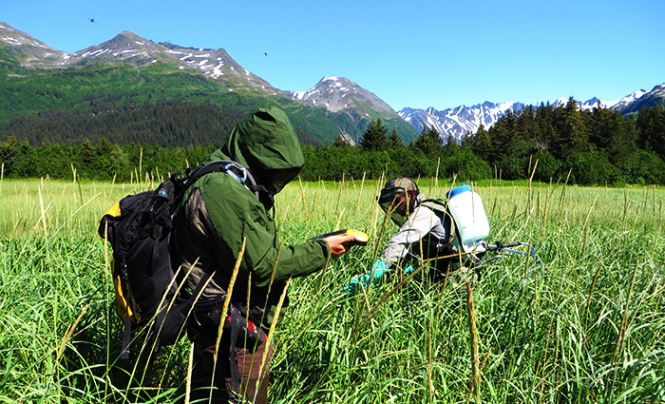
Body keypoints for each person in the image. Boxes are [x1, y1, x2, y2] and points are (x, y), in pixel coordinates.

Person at [172, 106, 356, 403]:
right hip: (231, 333)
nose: (275, 179)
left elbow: (251, 252)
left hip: (228, 327)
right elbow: (261, 264)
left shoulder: (227, 179)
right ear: (254, 154)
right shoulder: (223, 189)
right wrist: (322, 250)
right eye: (272, 168)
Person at [344, 177, 460, 295]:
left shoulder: (424, 212)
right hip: (445, 269)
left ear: (409, 194)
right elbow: (414, 250)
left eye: (396, 201)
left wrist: (374, 274)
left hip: (458, 273)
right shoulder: (421, 211)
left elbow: (399, 243)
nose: (393, 206)